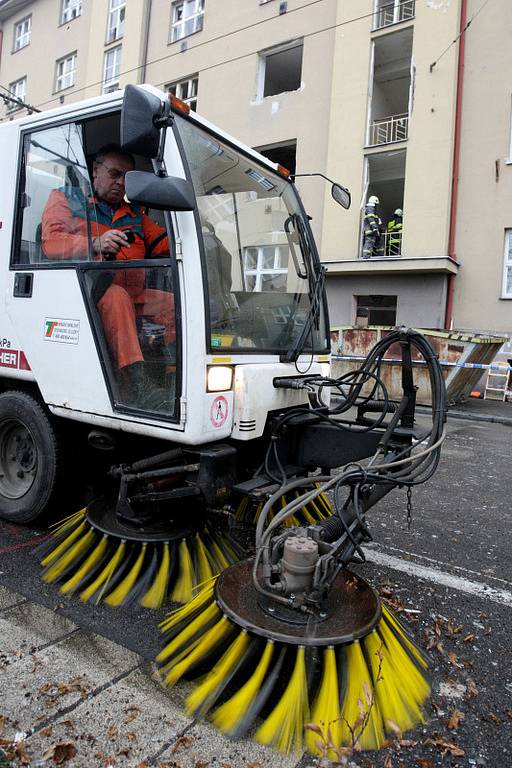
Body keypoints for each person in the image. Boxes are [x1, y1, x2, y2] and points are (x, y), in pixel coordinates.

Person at [41, 144, 174, 407]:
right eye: (115, 174)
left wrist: (200, 235)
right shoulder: (66, 198)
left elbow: (165, 244)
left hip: (135, 294)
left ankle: (170, 376)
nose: (121, 183)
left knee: (174, 303)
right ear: (95, 171)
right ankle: (138, 383)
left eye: (127, 177)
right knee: (116, 297)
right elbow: (50, 241)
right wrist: (95, 243)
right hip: (89, 294)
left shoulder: (135, 214)